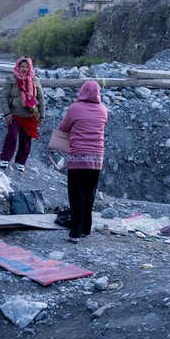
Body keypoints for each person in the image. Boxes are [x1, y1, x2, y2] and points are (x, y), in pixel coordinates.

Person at [58, 79, 108, 243]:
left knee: (76, 194)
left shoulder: (74, 108)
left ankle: (74, 234)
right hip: (96, 158)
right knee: (89, 194)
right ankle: (86, 229)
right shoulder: (103, 110)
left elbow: (63, 128)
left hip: (78, 156)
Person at [0, 56, 45, 172]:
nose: (24, 69)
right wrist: (7, 113)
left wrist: (42, 114)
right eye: (22, 66)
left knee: (26, 139)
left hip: (30, 115)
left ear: (30, 67)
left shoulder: (35, 80)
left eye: (26, 66)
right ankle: (5, 158)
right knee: (12, 134)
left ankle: (21, 162)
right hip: (14, 114)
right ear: (17, 67)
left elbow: (40, 98)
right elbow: (4, 96)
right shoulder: (11, 79)